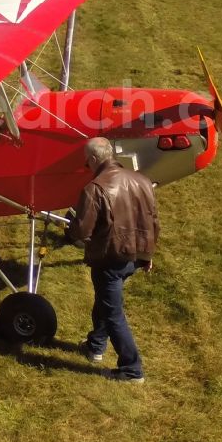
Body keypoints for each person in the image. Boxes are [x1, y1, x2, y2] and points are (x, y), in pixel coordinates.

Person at [66, 137, 159, 383]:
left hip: (110, 259)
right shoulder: (143, 180)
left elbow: (82, 232)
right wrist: (148, 255)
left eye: (87, 163)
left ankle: (132, 369)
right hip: (136, 256)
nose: (87, 167)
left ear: (95, 159)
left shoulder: (95, 189)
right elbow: (153, 221)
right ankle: (95, 345)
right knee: (105, 302)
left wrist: (72, 224)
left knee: (113, 312)